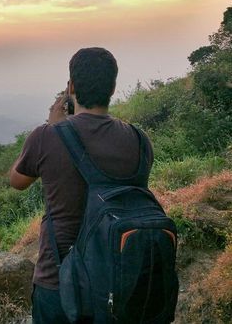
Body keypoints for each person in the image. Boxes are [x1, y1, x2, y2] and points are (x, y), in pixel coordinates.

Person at [9, 48, 153, 324]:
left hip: (60, 281)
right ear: (112, 88)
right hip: (121, 278)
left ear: (72, 87)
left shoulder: (46, 137)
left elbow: (17, 181)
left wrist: (52, 127)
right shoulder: (140, 140)